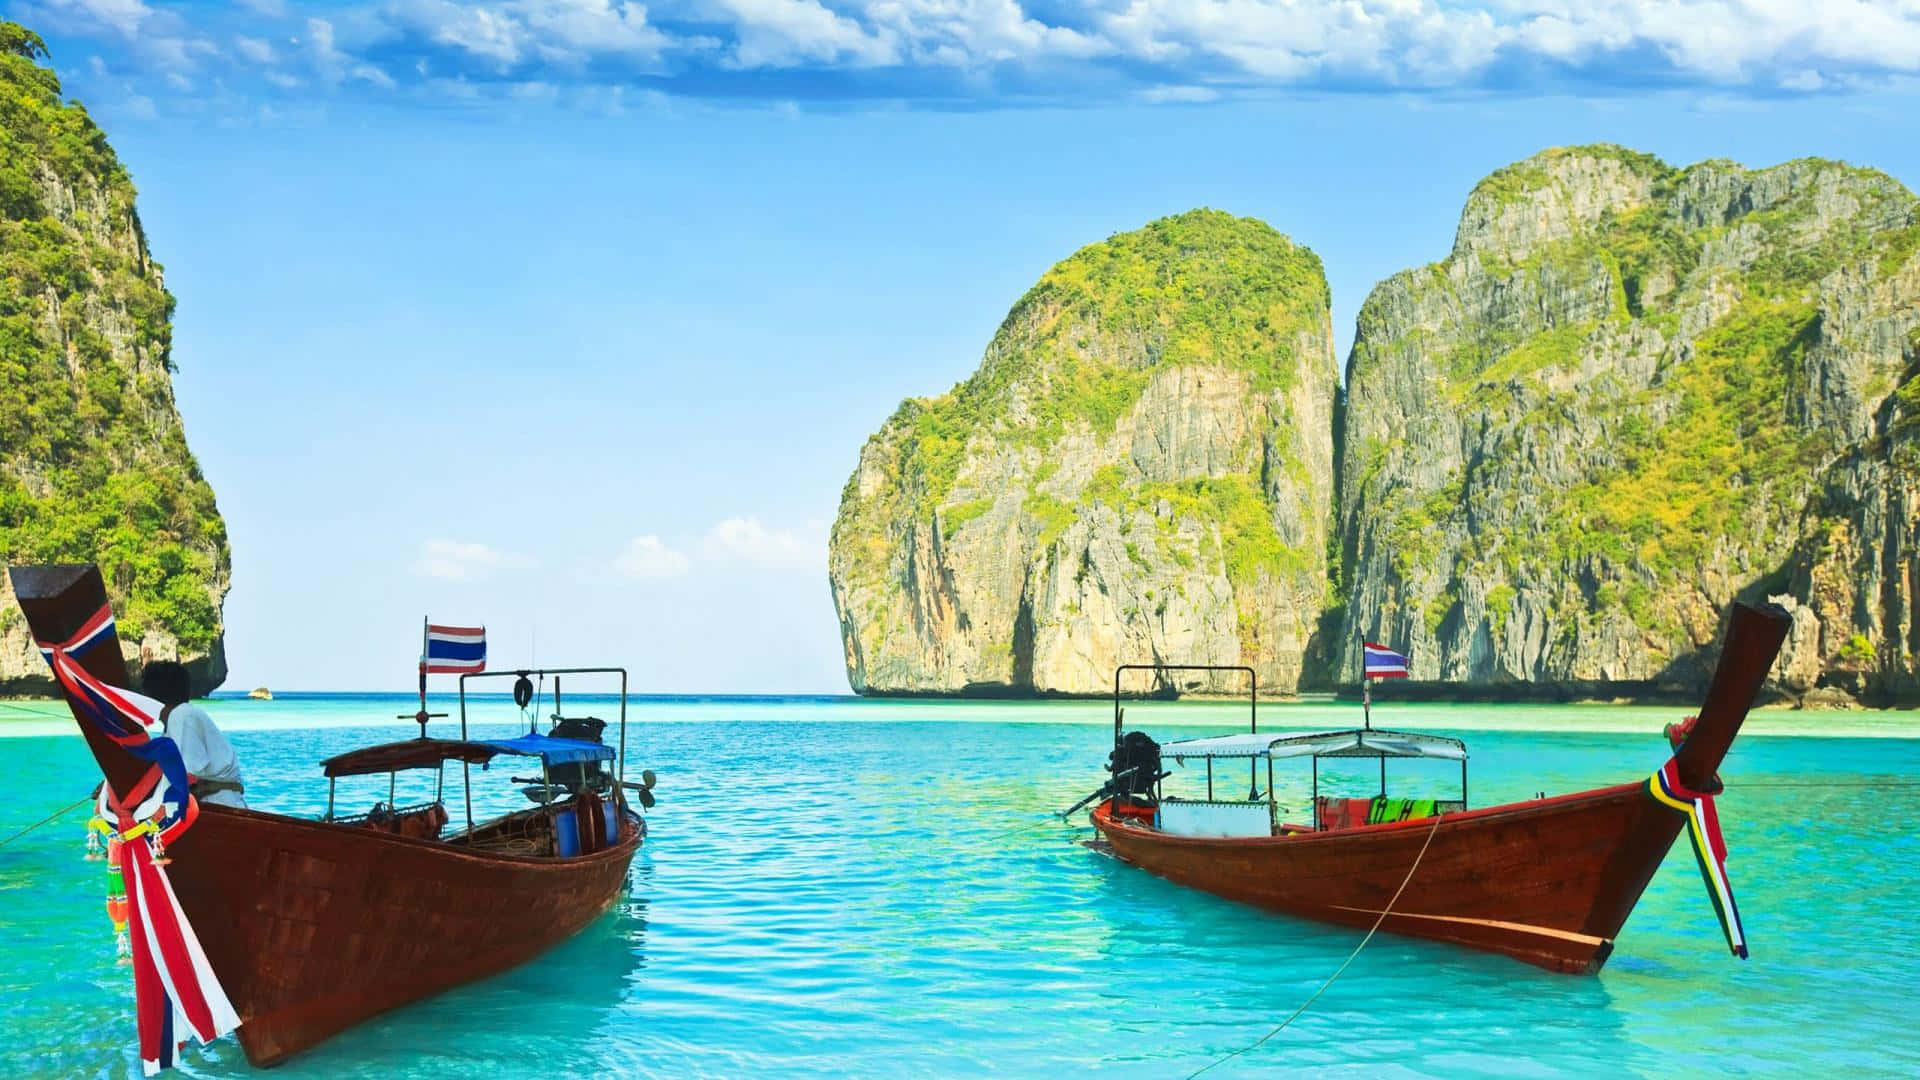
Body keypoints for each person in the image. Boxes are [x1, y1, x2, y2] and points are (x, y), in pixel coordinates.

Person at [139, 661, 247, 808]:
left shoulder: (181, 715)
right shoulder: (178, 719)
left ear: (151, 698)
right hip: (217, 803)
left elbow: (186, 775)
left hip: (218, 805)